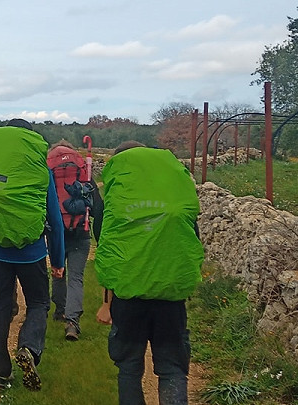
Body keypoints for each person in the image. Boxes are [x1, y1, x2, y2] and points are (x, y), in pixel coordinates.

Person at [95, 141, 204, 405]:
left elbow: (106, 248)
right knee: (172, 368)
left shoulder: (109, 196)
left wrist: (106, 303)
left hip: (128, 296)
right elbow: (192, 238)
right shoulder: (175, 192)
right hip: (170, 295)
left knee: (130, 368)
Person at [0, 118, 65, 392]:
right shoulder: (38, 170)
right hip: (32, 252)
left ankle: (0, 374)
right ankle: (29, 348)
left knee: (1, 307)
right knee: (38, 303)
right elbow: (54, 219)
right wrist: (57, 261)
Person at [48, 140, 104, 341]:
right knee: (76, 278)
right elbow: (98, 207)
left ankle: (60, 310)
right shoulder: (84, 173)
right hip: (81, 231)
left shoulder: (50, 173)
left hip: (57, 231)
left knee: (57, 271)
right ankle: (72, 322)